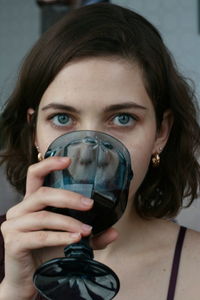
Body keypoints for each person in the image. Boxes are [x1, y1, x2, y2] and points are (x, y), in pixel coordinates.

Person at [0, 3, 200, 300]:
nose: (87, 153)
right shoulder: (7, 252)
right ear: (34, 132)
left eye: (122, 118)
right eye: (63, 118)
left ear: (161, 133)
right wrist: (13, 292)